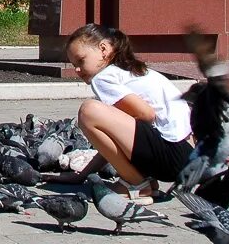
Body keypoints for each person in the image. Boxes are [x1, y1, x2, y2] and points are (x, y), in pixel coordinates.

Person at [45, 23, 193, 201]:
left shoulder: (103, 77)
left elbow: (146, 114)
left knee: (88, 111)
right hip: (185, 157)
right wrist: (82, 175)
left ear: (103, 49)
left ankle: (137, 185)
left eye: (81, 60)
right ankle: (143, 181)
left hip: (171, 155)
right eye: (74, 64)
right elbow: (116, 142)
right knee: (96, 114)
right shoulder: (130, 70)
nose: (77, 69)